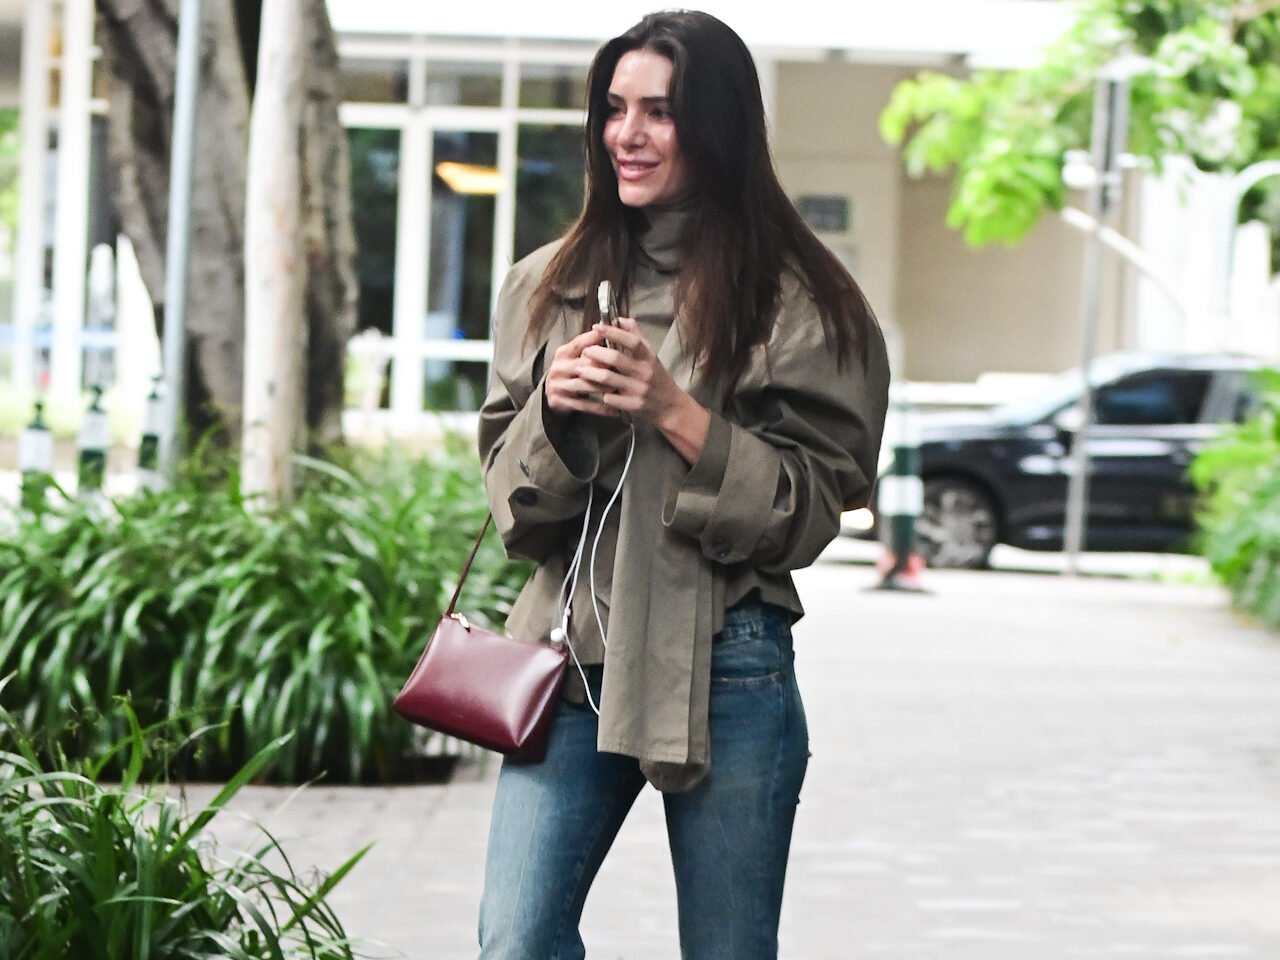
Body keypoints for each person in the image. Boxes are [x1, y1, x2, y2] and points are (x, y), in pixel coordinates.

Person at [475, 10, 890, 959]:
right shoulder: (544, 286)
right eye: (614, 109)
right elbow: (511, 506)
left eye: (660, 111)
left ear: (718, 126)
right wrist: (555, 412)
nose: (627, 134)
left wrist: (673, 410)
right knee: (516, 939)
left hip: (727, 656)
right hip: (572, 655)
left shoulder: (804, 303)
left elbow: (807, 514)